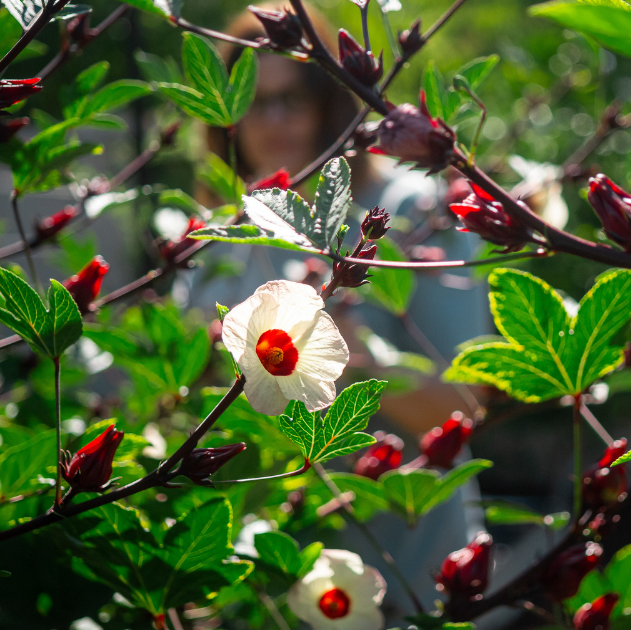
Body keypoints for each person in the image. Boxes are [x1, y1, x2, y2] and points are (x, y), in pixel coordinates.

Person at [186, 2, 490, 617]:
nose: (272, 120)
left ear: (328, 100)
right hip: (273, 582)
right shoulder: (222, 235)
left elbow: (467, 407)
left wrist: (353, 359)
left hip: (415, 568)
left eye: (291, 97)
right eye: (253, 101)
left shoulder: (408, 211)